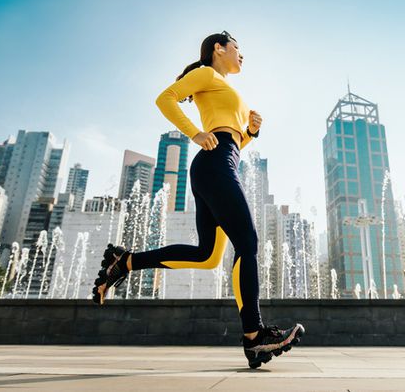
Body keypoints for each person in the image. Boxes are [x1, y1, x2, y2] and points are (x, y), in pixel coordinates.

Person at [91, 31, 304, 368]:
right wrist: (195, 133)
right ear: (219, 49)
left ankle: (126, 262)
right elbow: (165, 98)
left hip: (220, 163)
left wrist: (249, 132)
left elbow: (232, 145)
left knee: (207, 255)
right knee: (247, 243)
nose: (242, 55)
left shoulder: (227, 88)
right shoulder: (206, 72)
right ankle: (255, 335)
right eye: (237, 48)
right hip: (214, 166)